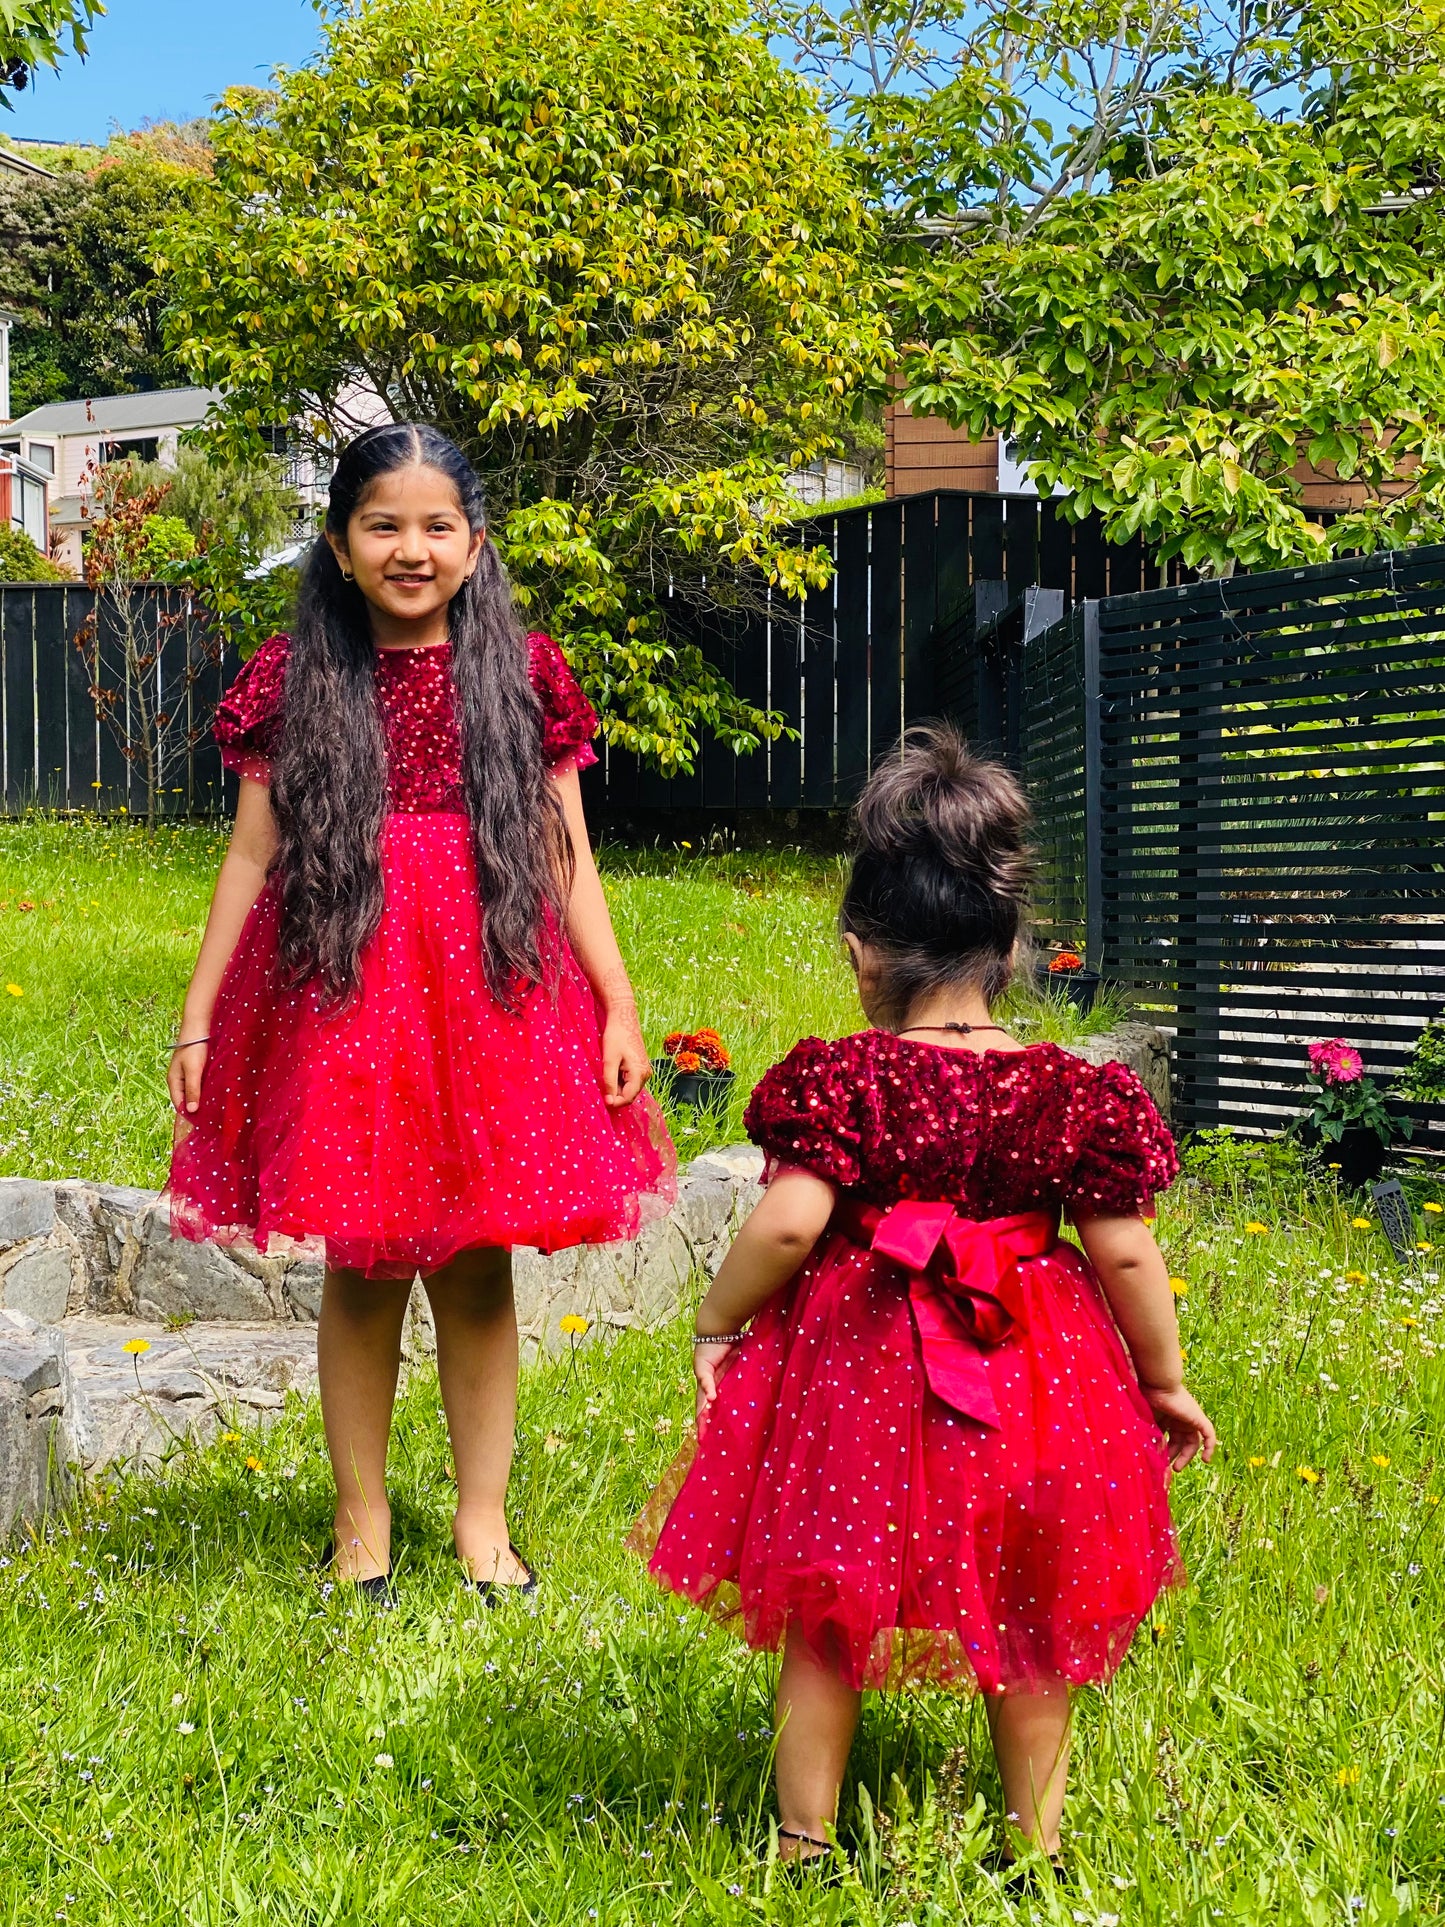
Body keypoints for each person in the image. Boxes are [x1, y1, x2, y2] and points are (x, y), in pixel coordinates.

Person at [629, 725, 1214, 1872]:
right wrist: (1161, 1379)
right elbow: (1128, 1255)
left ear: (860, 953)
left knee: (829, 1606)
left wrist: (716, 1319)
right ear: (1012, 949)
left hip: (861, 1376)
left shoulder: (843, 1079)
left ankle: (804, 1842)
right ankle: (1033, 1844)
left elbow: (791, 1221)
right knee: (1034, 1613)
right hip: (1031, 1373)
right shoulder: (1069, 1091)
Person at [167, 422, 674, 1600]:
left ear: (474, 542)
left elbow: (566, 858)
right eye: (382, 525)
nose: (411, 547)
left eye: (435, 525)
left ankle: (483, 1525)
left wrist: (616, 1002)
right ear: (340, 547)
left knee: (478, 1265)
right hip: (343, 985)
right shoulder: (294, 683)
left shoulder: (522, 674)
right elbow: (249, 859)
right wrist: (198, 1015)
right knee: (364, 1259)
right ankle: (362, 1527)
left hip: (496, 987)